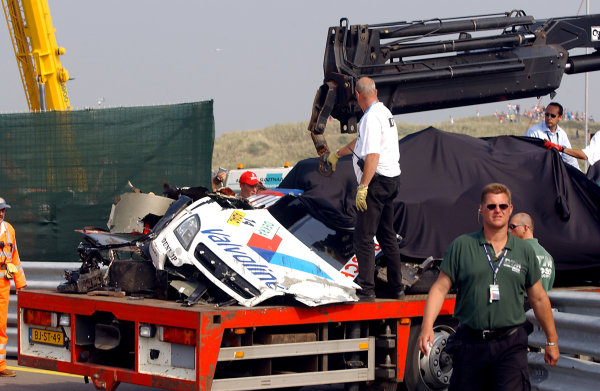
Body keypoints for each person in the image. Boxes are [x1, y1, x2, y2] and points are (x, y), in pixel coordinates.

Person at [417, 183, 559, 391]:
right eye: (491, 206)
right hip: (470, 344)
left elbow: (538, 298)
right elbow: (439, 288)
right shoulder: (462, 246)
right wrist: (427, 326)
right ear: (481, 209)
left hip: (510, 345)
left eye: (503, 206)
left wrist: (552, 341)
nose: (497, 211)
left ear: (510, 210)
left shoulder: (524, 251)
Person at [326, 77, 403, 301]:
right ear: (375, 91)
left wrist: (363, 187)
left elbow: (372, 155)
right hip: (391, 180)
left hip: (377, 183)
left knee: (363, 237)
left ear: (357, 95)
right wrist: (337, 154)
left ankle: (367, 291)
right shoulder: (384, 112)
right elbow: (360, 143)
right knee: (387, 234)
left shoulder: (369, 119)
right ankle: (397, 288)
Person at [0, 197, 27, 377]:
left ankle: (0, 366)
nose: (1, 213)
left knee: (1, 326)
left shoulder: (9, 230)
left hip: (3, 286)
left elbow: (15, 259)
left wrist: (21, 284)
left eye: (3, 210)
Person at [525, 102, 580, 170]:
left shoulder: (562, 134)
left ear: (560, 117)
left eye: (553, 116)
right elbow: (526, 157)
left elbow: (569, 159)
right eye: (547, 114)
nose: (549, 118)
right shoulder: (533, 132)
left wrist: (580, 175)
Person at [509, 212, 555, 292]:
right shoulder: (548, 256)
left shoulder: (517, 252)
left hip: (522, 302)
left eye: (512, 227)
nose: (509, 231)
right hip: (542, 303)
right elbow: (549, 288)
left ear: (525, 228)